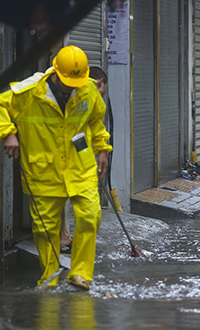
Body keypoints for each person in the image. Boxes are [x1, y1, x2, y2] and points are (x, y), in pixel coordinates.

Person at [0, 45, 112, 291]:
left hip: (81, 165)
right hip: (43, 169)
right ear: (55, 72)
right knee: (45, 229)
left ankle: (80, 274)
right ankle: (50, 276)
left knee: (90, 216)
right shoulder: (30, 92)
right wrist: (7, 134)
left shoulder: (87, 89)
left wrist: (102, 149)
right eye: (69, 82)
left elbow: (96, 121)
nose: (73, 86)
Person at [59, 65, 109, 253]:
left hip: (81, 157)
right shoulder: (76, 94)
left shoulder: (88, 100)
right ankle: (63, 237)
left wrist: (101, 151)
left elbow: (94, 128)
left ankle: (68, 238)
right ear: (99, 83)